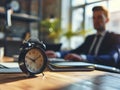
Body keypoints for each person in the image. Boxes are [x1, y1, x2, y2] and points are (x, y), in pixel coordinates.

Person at [45, 6, 120, 67]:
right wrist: (57, 54)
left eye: (99, 17)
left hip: (105, 74)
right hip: (85, 71)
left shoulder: (115, 37)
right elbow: (75, 51)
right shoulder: (90, 38)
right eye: (94, 18)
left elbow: (112, 58)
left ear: (107, 20)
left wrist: (84, 58)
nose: (96, 20)